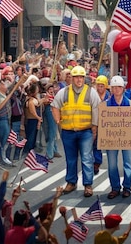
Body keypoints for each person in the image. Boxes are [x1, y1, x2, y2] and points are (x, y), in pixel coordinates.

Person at [51, 65, 102, 198]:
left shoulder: (91, 92)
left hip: (86, 131)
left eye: (81, 77)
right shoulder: (64, 92)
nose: (79, 80)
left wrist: (95, 127)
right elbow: (55, 106)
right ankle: (71, 182)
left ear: (84, 78)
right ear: (72, 78)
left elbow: (97, 109)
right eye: (76, 77)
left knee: (86, 158)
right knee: (71, 159)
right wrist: (58, 121)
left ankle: (88, 185)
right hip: (68, 132)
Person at [104, 76, 131, 199]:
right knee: (112, 164)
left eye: (119, 87)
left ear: (123, 88)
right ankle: (115, 187)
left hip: (126, 137)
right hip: (111, 138)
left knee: (127, 163)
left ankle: (127, 187)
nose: (116, 89)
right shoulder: (104, 106)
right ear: (111, 89)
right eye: (114, 87)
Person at [93, 75, 111, 174]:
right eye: (98, 85)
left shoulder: (110, 97)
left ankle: (111, 161)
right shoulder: (93, 96)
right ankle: (96, 162)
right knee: (96, 144)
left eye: (102, 86)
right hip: (96, 123)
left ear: (105, 86)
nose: (100, 88)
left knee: (108, 145)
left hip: (107, 124)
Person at [23, 83, 42, 155]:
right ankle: (28, 150)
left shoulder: (35, 99)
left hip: (34, 119)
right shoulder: (30, 100)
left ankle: (32, 149)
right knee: (30, 136)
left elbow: (38, 104)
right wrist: (38, 117)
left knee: (34, 135)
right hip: (31, 119)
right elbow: (32, 111)